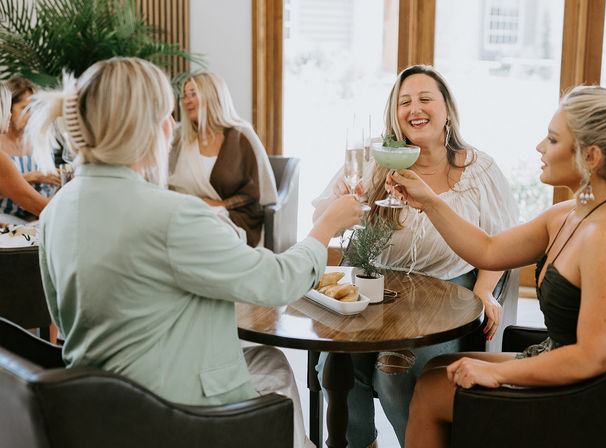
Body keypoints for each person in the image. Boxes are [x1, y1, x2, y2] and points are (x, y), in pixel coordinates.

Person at [28, 57, 363, 448]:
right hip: (173, 416)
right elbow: (279, 282)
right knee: (270, 373)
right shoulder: (172, 215)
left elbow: (61, 320)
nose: (172, 126)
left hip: (99, 407)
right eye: (166, 114)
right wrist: (326, 225)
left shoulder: (57, 209)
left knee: (266, 361)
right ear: (143, 127)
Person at [392, 85, 606, 447]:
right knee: (435, 369)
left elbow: (593, 358)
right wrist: (428, 200)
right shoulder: (571, 213)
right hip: (564, 365)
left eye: (552, 140)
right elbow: (489, 250)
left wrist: (498, 373)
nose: (540, 147)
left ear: (590, 156)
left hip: (594, 397)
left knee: (432, 391)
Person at [312, 65, 518, 448]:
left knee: (395, 372)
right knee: (336, 368)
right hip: (373, 286)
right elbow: (324, 218)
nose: (414, 108)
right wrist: (340, 201)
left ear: (447, 112)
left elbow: (501, 241)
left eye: (425, 99)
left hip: (444, 290)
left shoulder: (479, 169)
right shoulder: (376, 159)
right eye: (404, 101)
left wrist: (485, 291)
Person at [169, 72, 277, 247]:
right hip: (187, 214)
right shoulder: (180, 137)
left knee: (204, 236)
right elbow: (165, 180)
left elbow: (258, 192)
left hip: (232, 217)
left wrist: (220, 204)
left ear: (212, 96)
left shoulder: (241, 135)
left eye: (193, 94)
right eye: (184, 96)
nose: (187, 101)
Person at [0, 76, 59, 221]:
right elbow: (38, 205)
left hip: (37, 218)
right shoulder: (2, 157)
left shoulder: (42, 139)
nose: (33, 115)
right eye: (26, 109)